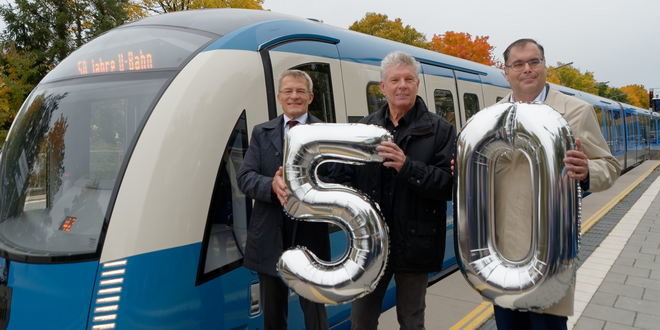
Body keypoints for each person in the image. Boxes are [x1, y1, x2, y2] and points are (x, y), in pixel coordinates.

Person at [493, 38, 621, 329]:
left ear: (544, 66)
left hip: (549, 249)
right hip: (501, 249)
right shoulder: (493, 115)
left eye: (534, 61)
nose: (527, 69)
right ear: (506, 72)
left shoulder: (576, 111)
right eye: (518, 64)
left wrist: (587, 170)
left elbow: (609, 166)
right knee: (508, 325)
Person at [345, 51, 455, 330]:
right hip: (371, 244)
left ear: (418, 84)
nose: (402, 85)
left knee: (411, 320)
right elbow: (348, 175)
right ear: (383, 87)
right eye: (395, 80)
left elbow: (449, 186)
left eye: (408, 79)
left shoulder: (441, 130)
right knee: (361, 321)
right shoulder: (364, 128)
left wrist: (407, 167)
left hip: (416, 244)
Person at [237, 69, 329, 330]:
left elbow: (337, 176)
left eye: (300, 91)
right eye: (288, 91)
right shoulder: (260, 133)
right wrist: (271, 184)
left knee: (315, 315)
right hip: (269, 239)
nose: (294, 96)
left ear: (310, 97)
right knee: (274, 318)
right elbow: (244, 177)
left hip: (310, 239)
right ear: (279, 97)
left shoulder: (325, 132)